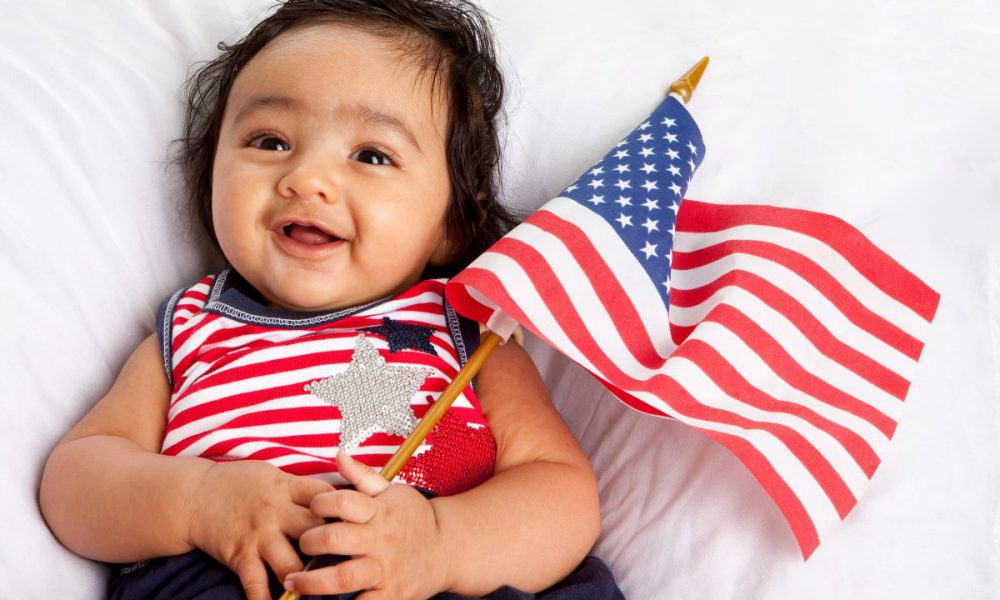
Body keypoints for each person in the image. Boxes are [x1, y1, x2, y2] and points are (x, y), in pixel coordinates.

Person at [39, 1, 623, 599]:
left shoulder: (468, 330)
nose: (307, 178)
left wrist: (442, 542)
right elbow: (75, 479)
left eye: (372, 156)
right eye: (269, 141)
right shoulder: (194, 325)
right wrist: (197, 500)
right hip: (238, 577)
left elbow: (562, 494)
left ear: (452, 222)